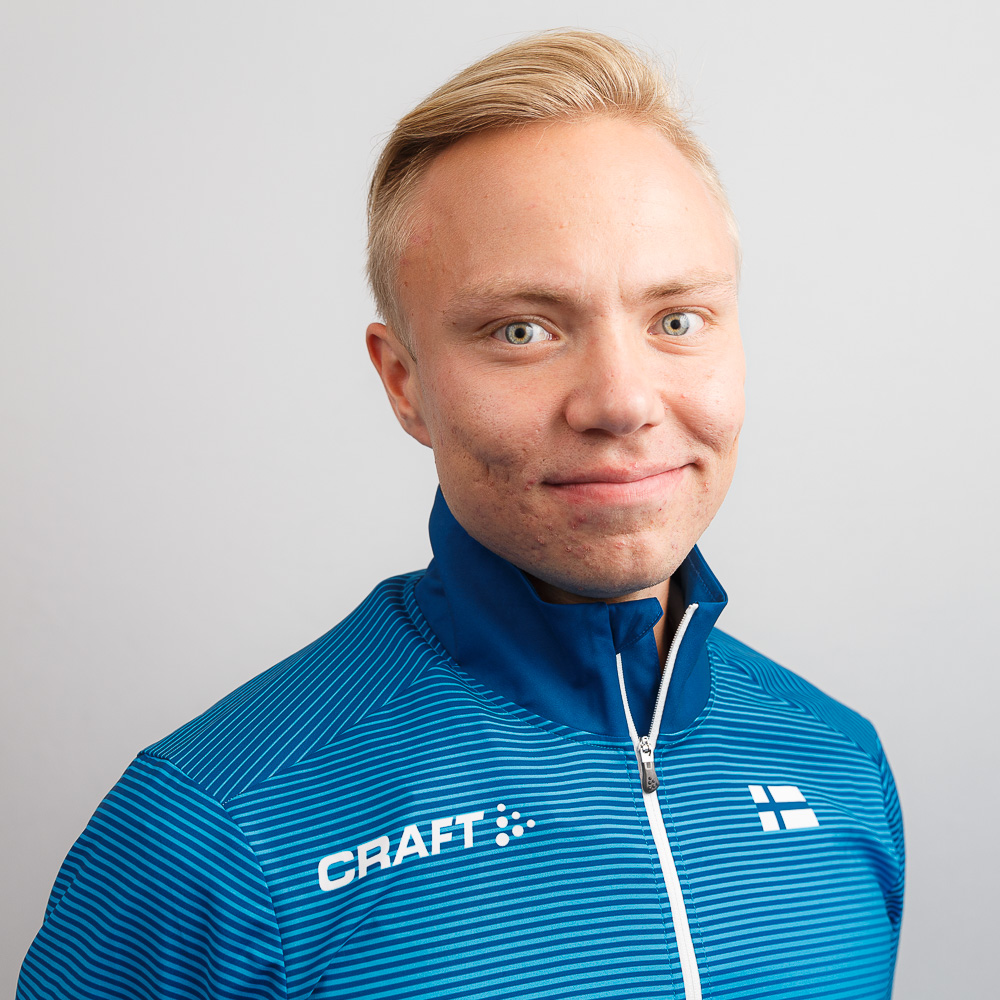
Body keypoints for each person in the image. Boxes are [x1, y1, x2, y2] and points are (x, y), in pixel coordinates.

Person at [17, 29, 904, 1000]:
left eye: (676, 320)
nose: (621, 402)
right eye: (522, 329)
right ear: (404, 382)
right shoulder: (216, 830)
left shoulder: (840, 760)